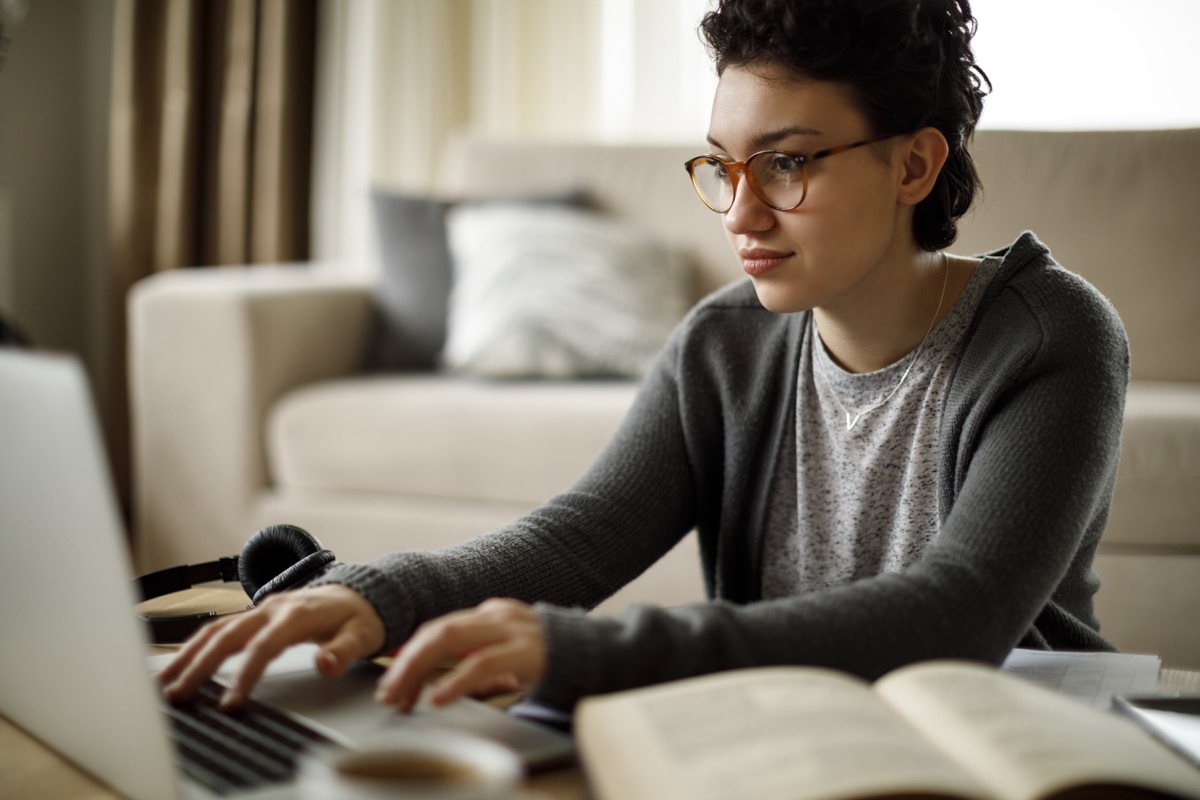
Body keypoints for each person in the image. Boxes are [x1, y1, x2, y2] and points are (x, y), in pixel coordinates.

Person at [161, 0, 1129, 715]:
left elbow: (958, 612)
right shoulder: (724, 345)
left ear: (914, 165)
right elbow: (577, 538)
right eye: (725, 163)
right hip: (799, 741)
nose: (742, 213)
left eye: (788, 163)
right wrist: (372, 593)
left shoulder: (1052, 338)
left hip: (1012, 749)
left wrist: (575, 650)